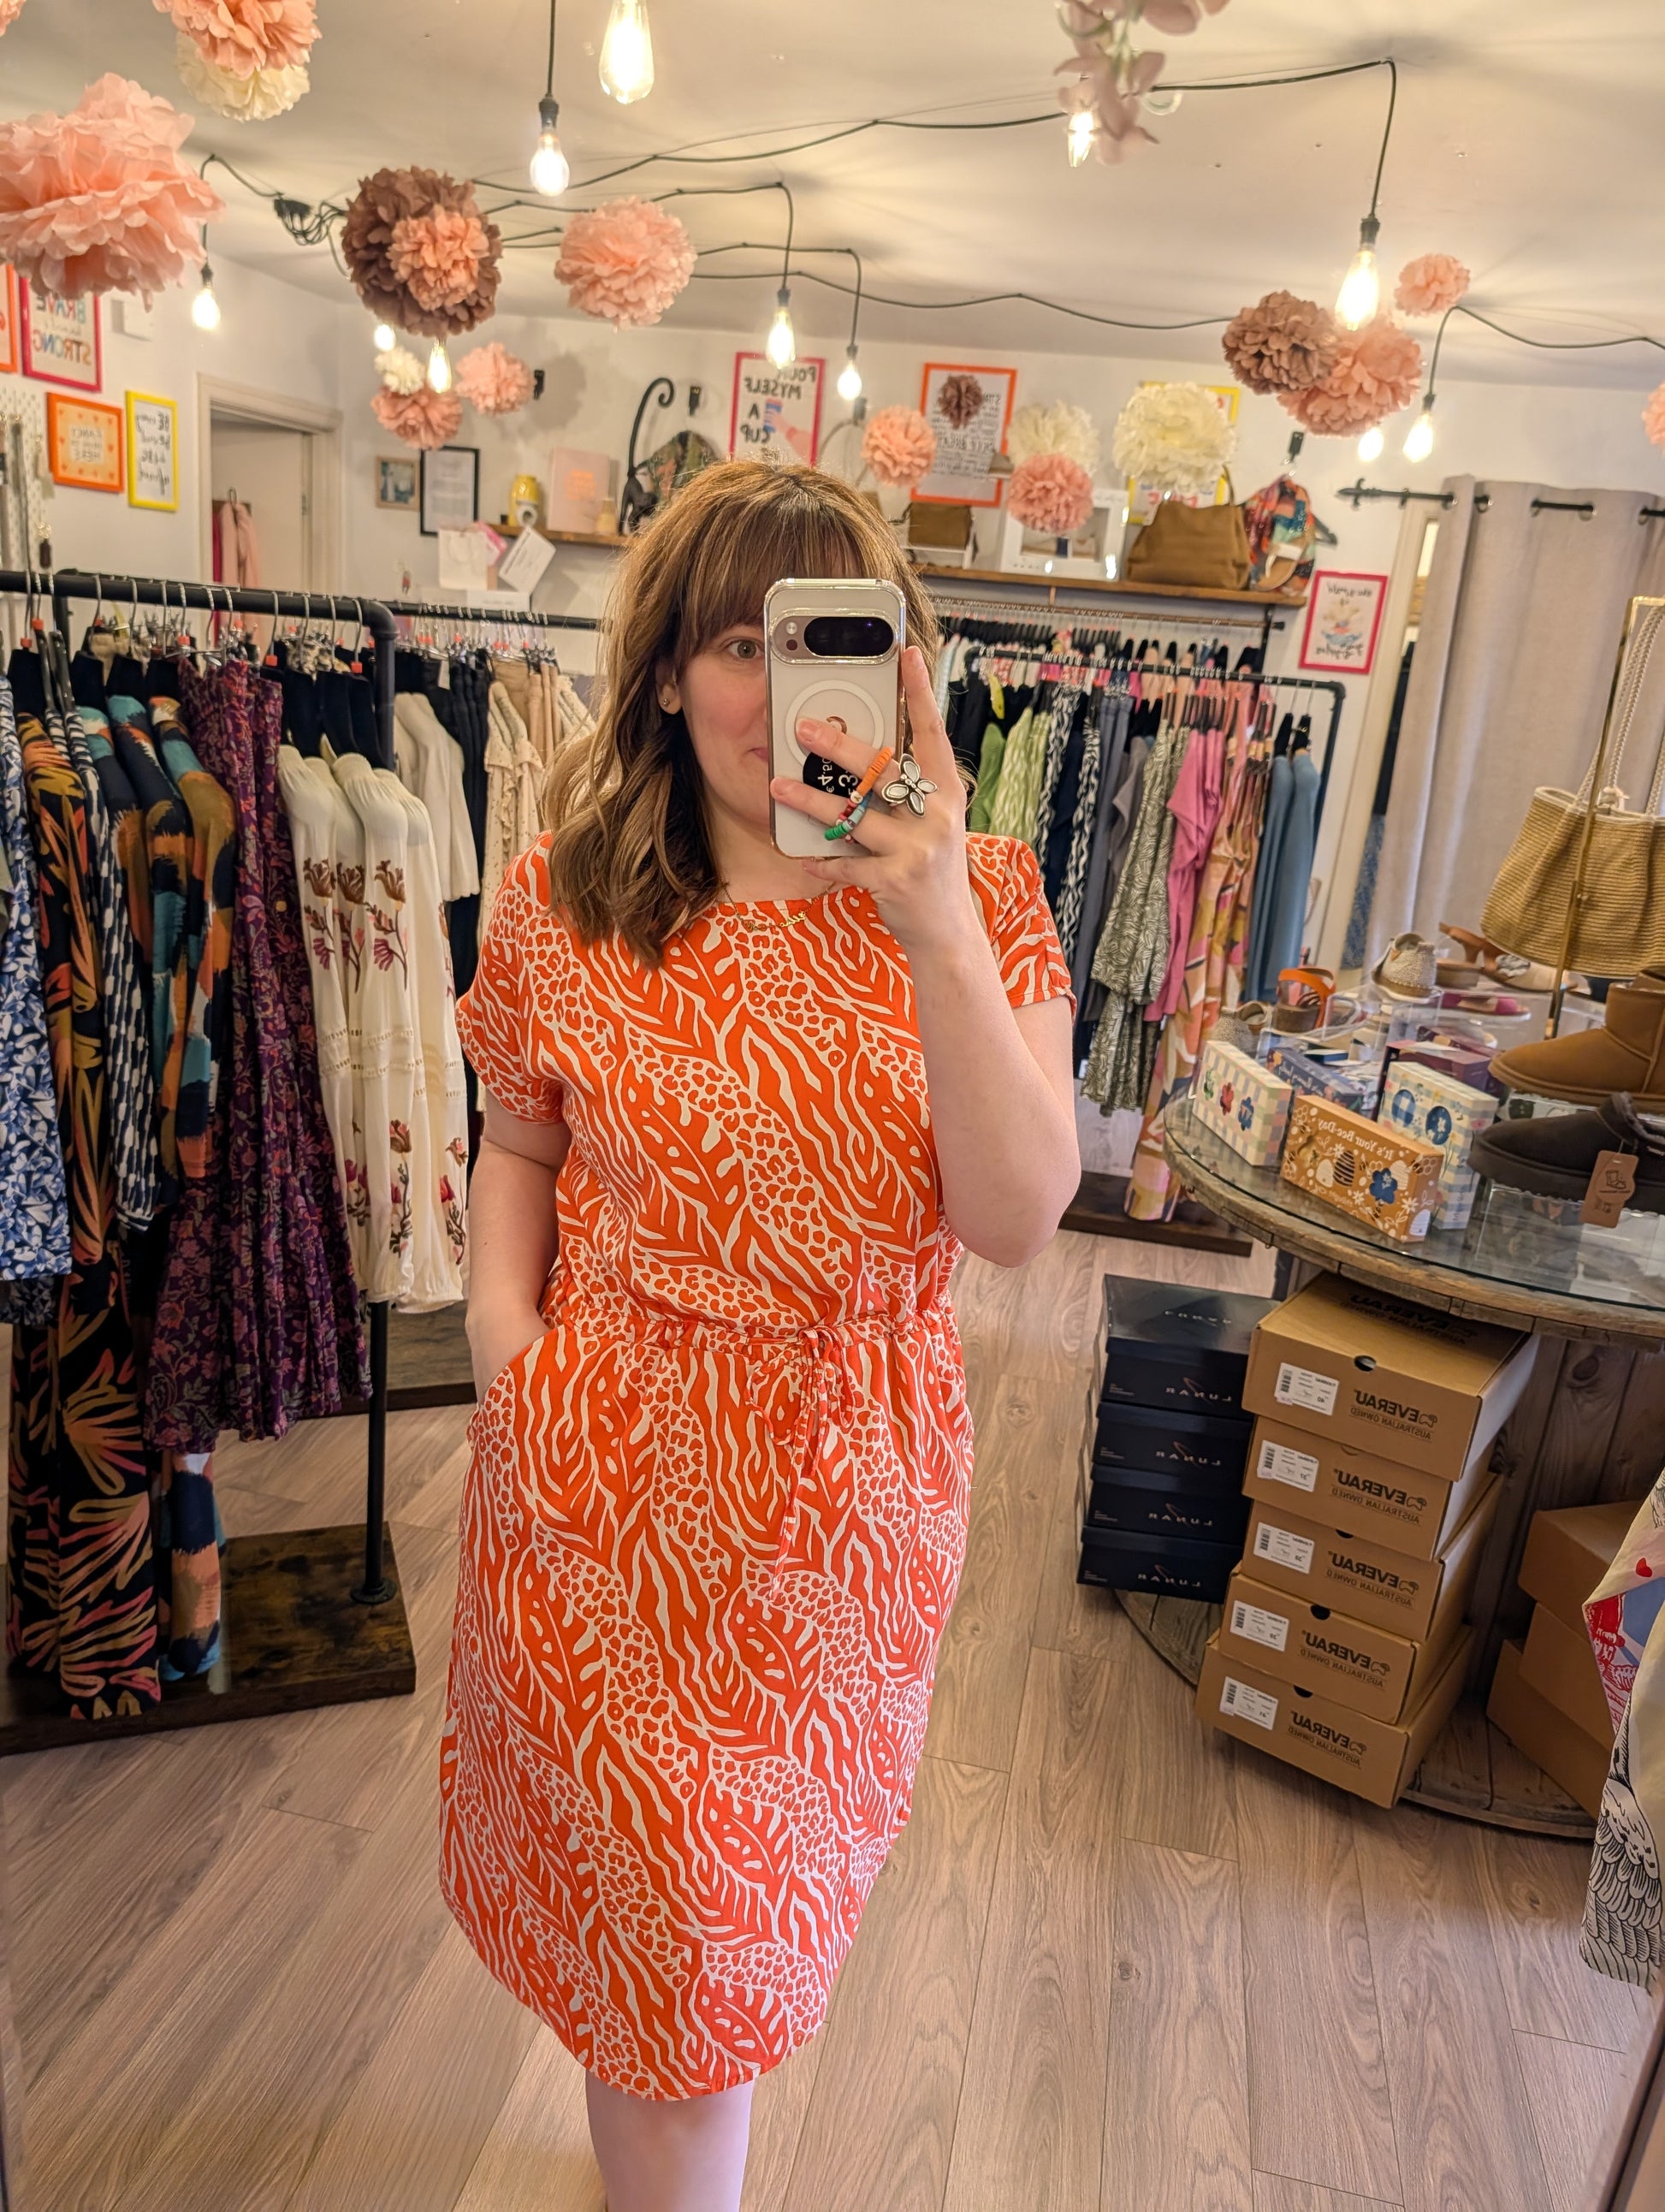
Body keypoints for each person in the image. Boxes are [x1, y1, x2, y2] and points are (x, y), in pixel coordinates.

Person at [446, 460, 1080, 2212]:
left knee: (722, 1945)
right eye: (736, 641)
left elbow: (1019, 1220)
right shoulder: (559, 898)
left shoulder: (992, 897)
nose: (771, 690)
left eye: (826, 641)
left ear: (894, 670)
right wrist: (511, 1353)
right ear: (661, 672)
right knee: (658, 1954)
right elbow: (517, 1135)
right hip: (603, 1482)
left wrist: (933, 918)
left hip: (846, 1515)